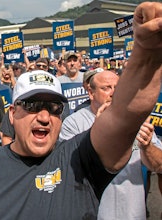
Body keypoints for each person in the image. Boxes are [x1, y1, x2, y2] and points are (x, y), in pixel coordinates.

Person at [0, 2, 162, 218]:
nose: (45, 117)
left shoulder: (79, 159)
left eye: (54, 108)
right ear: (12, 113)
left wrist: (147, 54)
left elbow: (124, 118)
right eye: (32, 106)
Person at [59, 70, 162, 219]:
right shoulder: (73, 123)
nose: (114, 93)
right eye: (106, 88)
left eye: (118, 88)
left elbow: (159, 166)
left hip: (133, 214)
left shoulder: (137, 120)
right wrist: (97, 132)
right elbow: (67, 169)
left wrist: (147, 147)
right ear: (90, 92)